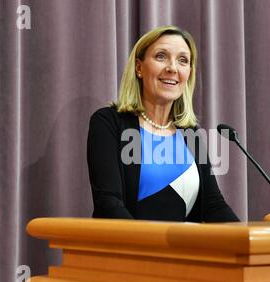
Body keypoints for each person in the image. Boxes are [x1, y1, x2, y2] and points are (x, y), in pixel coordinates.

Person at [87, 25, 239, 222]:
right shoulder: (109, 122)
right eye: (161, 56)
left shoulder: (190, 133)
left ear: (189, 74)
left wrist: (247, 242)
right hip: (128, 249)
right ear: (139, 67)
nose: (172, 68)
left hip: (184, 251)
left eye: (183, 60)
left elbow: (214, 205)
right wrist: (150, 248)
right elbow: (108, 203)